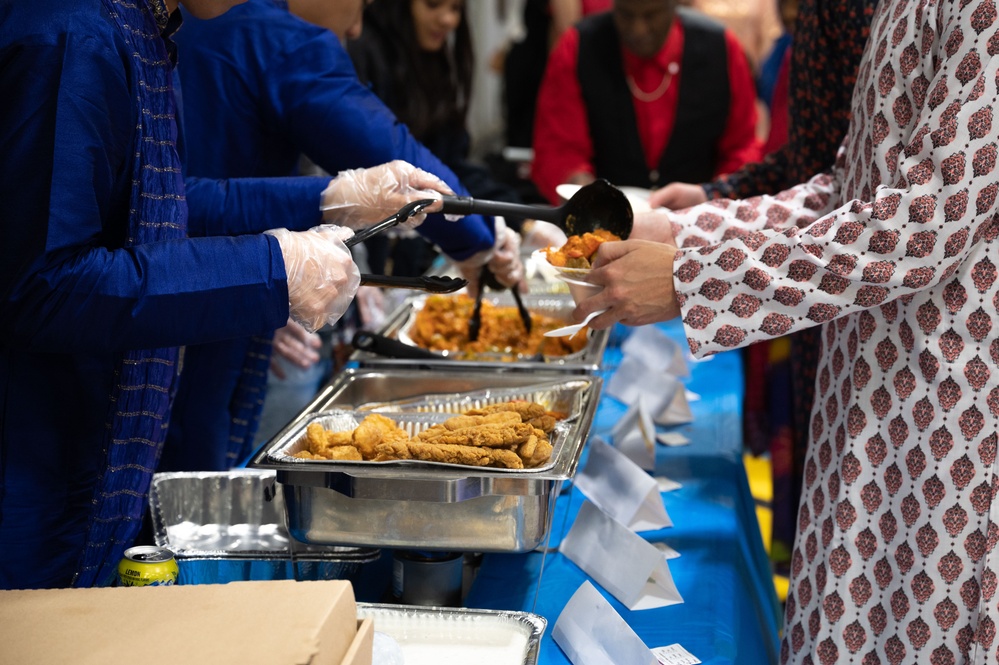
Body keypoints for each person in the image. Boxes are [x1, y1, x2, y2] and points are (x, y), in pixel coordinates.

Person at [576, 0, 999, 658]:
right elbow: (847, 189)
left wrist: (696, 278)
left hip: (946, 412)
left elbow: (925, 222)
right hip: (866, 382)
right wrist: (689, 231)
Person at [0, 0, 453, 589]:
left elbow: (160, 205)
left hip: (93, 457)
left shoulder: (142, 24)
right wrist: (271, 271)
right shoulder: (69, 30)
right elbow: (44, 287)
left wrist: (328, 199)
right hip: (36, 471)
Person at [160, 0, 526, 474]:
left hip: (180, 295)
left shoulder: (199, 22)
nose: (356, 27)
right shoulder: (270, 32)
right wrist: (478, 239)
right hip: (186, 319)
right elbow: (387, 150)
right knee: (186, 490)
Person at [649, 0, 876, 573]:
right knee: (816, 499)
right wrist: (706, 208)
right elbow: (821, 172)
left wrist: (691, 275)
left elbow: (895, 211)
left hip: (854, 300)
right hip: (820, 277)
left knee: (847, 527)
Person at [529, 0, 763, 204]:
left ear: (675, 5)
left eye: (651, 15)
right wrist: (579, 188)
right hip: (606, 227)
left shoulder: (721, 47)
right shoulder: (578, 45)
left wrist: (714, 199)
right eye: (625, 14)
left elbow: (742, 146)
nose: (638, 29)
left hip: (697, 224)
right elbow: (558, 146)